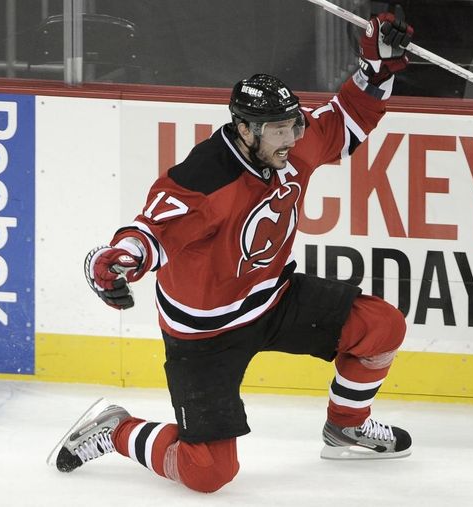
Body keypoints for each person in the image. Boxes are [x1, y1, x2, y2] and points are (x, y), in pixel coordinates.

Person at [48, 12, 414, 494]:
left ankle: (346, 427)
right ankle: (115, 430)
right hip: (206, 334)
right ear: (245, 129)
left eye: (295, 125)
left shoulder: (290, 141)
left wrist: (376, 66)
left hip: (273, 298)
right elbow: (149, 233)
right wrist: (118, 260)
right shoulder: (203, 179)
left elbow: (346, 120)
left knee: (380, 325)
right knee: (209, 473)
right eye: (280, 131)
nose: (294, 138)